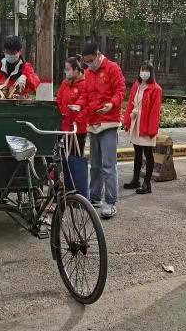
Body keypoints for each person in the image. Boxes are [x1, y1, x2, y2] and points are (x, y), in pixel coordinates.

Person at [78, 42, 126, 219]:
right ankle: (95, 197)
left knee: (108, 165)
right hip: (93, 123)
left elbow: (120, 90)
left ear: (98, 55)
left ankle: (110, 202)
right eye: (86, 61)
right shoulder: (88, 73)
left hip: (109, 123)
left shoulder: (112, 68)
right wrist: (79, 106)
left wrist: (111, 104)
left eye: (91, 60)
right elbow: (85, 95)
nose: (89, 64)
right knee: (95, 165)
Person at [122, 61, 162, 195]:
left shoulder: (156, 89)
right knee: (137, 153)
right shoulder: (136, 85)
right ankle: (135, 179)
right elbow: (131, 104)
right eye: (142, 70)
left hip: (146, 124)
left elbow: (155, 111)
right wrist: (127, 121)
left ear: (151, 72)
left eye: (146, 70)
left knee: (148, 154)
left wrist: (151, 130)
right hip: (136, 122)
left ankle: (147, 183)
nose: (144, 73)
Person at [56, 56, 88, 154]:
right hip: (63, 127)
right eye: (65, 69)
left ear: (76, 70)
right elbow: (59, 101)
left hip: (78, 129)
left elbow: (86, 106)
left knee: (76, 157)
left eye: (68, 69)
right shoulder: (65, 83)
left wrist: (77, 121)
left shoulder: (84, 84)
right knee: (62, 156)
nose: (66, 72)